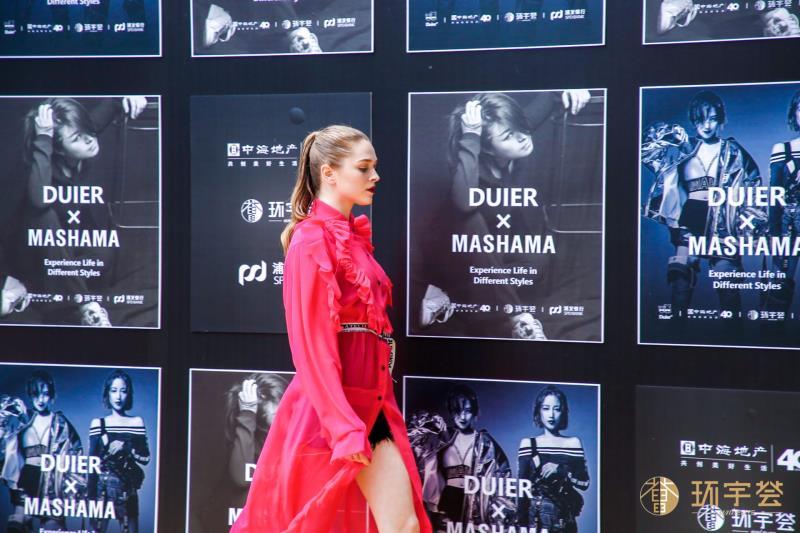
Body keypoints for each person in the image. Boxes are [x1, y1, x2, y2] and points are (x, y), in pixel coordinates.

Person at [231, 125, 430, 532]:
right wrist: (341, 426)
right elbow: (311, 345)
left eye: (374, 167)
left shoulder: (352, 238)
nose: (375, 176)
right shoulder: (310, 241)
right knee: (306, 522)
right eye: (364, 167)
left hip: (373, 402)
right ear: (329, 173)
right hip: (331, 412)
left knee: (402, 524)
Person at [416, 90, 590, 339]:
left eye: (520, 128)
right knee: (472, 219)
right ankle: (517, 318)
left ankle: (449, 294)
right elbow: (464, 204)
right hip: (451, 255)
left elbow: (547, 101)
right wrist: (471, 136)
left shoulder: (512, 132)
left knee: (537, 261)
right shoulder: (471, 162)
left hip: (486, 257)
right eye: (509, 136)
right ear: (486, 149)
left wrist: (570, 88)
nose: (523, 137)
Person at [15, 96, 147, 327]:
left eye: (87, 130)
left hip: (64, 254)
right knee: (44, 216)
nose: (89, 139)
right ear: (57, 150)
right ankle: (84, 306)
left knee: (105, 252)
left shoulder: (81, 134)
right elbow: (38, 200)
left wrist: (131, 96)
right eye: (77, 138)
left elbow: (110, 106)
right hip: (37, 252)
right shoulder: (42, 163)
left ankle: (47, 287)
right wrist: (43, 137)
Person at [642, 90, 764, 322]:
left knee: (727, 285)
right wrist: (670, 134)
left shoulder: (733, 151)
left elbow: (753, 184)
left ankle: (734, 338)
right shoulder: (683, 147)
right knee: (680, 280)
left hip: (724, 222)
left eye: (712, 119)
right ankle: (675, 337)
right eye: (700, 119)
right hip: (691, 218)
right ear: (693, 120)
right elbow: (646, 152)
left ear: (721, 119)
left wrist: (749, 224)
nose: (706, 125)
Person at [407, 385, 514, 531]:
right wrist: (433, 421)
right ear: (451, 411)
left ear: (475, 412)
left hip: (475, 506)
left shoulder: (485, 443)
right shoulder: (442, 437)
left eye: (468, 411)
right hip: (446, 503)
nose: (462, 417)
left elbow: (503, 477)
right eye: (457, 410)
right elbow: (411, 437)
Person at [2, 370, 83, 532]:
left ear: (51, 395)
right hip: (27, 478)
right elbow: (6, 442)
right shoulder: (22, 418)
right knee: (17, 525)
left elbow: (76, 451)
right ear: (30, 394)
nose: (40, 399)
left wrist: (72, 484)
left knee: (52, 527)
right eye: (36, 394)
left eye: (45, 394)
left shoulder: (60, 422)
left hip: (52, 481)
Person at [518, 385, 589, 533]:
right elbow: (522, 489)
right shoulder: (528, 444)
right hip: (535, 521)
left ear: (563, 412)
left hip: (564, 521)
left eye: (556, 409)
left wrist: (559, 470)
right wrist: (521, 524)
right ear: (538, 411)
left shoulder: (573, 443)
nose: (551, 414)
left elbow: (584, 482)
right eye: (546, 408)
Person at [88, 369, 151, 533]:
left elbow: (146, 458)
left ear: (128, 394)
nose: (118, 396)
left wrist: (126, 447)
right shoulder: (98, 423)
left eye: (123, 391)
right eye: (114, 390)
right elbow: (91, 464)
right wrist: (90, 498)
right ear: (107, 393)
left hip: (127, 489)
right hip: (102, 489)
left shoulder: (136, 422)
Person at [764, 90, 800, 314]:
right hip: (790, 224)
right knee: (780, 287)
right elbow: (775, 196)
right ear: (794, 113)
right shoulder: (782, 150)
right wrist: (774, 234)